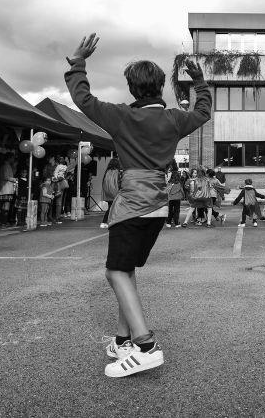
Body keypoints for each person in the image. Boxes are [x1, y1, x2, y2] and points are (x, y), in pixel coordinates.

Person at [65, 33, 211, 378]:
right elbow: (202, 110)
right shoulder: (175, 119)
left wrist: (78, 64)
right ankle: (122, 340)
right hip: (159, 203)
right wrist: (199, 81)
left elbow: (83, 99)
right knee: (126, 269)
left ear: (132, 89)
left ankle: (145, 346)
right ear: (160, 87)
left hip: (132, 202)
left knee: (115, 271)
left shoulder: (120, 117)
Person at [100, 158, 122, 229]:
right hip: (116, 193)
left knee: (110, 208)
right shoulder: (117, 172)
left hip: (108, 193)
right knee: (117, 208)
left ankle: (104, 222)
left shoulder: (107, 172)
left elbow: (104, 183)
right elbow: (119, 183)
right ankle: (113, 222)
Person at [0, 153, 16, 226]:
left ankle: (2, 221)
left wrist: (14, 167)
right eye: (13, 158)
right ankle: (3, 222)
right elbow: (6, 176)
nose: (13, 159)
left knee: (4, 205)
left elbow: (10, 174)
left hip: (5, 189)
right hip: (6, 188)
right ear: (9, 158)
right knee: (6, 205)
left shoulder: (7, 166)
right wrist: (15, 180)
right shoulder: (6, 166)